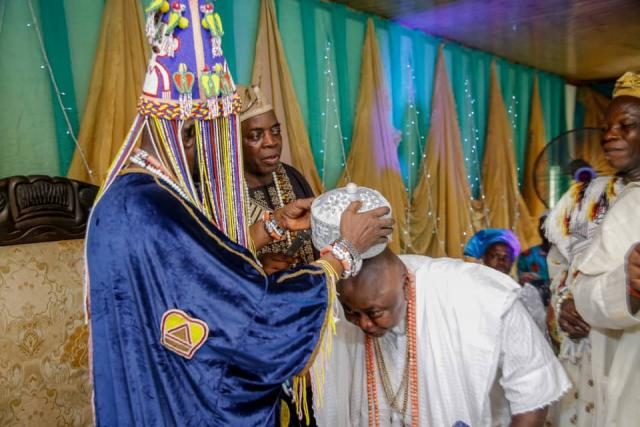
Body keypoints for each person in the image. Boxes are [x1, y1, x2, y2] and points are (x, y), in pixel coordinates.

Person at [86, 2, 394, 425]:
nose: (222, 157)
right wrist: (343, 252)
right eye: (221, 140)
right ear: (191, 132)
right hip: (187, 405)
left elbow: (197, 275)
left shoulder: (129, 195)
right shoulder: (155, 207)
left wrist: (271, 225)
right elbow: (254, 319)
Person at [312, 247, 570, 426]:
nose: (365, 324)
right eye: (352, 313)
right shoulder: (337, 306)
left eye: (374, 312)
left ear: (404, 282)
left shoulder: (480, 297)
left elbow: (533, 387)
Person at [567, 71, 640, 426]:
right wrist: (561, 303)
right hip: (582, 351)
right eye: (605, 127)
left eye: (626, 125)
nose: (610, 135)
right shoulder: (584, 197)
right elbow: (562, 268)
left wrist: (626, 287)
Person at [239, 85, 316, 274]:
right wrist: (256, 267)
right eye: (256, 136)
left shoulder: (291, 176)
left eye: (275, 131)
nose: (271, 142)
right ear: (234, 141)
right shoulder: (218, 196)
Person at [464, 228, 547, 334]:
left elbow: (538, 329)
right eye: (495, 256)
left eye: (506, 257)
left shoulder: (525, 292)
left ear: (512, 261)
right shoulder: (473, 288)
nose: (501, 261)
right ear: (484, 258)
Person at [518, 214, 552, 306]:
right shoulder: (527, 255)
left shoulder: (566, 255)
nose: (545, 230)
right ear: (538, 230)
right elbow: (520, 283)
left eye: (549, 226)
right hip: (535, 305)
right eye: (542, 226)